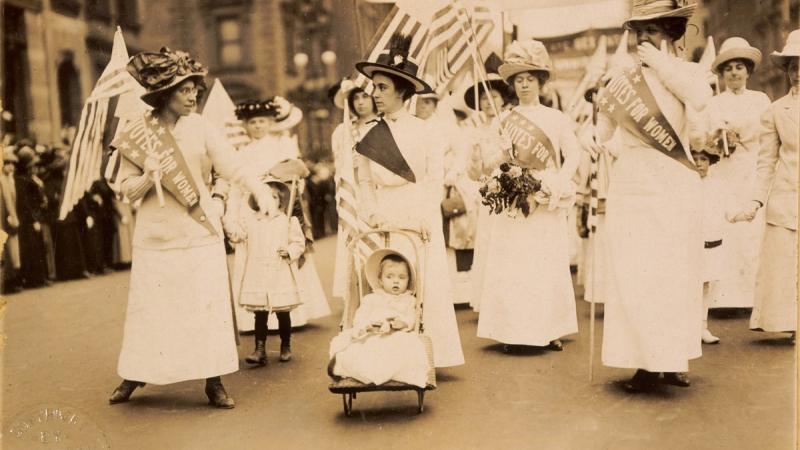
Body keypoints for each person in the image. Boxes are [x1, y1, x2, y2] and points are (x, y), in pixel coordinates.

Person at [105, 47, 278, 408]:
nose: (193, 95)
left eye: (195, 88)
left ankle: (213, 380)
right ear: (165, 93)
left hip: (200, 232)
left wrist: (260, 190)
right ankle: (136, 373)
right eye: (185, 89)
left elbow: (232, 167)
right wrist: (146, 175)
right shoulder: (138, 132)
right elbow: (124, 188)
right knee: (151, 309)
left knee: (206, 307)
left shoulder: (202, 127)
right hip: (156, 235)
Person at [594, 0, 711, 391]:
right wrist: (594, 134)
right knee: (636, 272)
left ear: (670, 34)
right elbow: (602, 130)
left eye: (653, 31)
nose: (643, 38)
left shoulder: (684, 73)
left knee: (674, 273)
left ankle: (672, 358)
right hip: (633, 182)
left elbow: (700, 100)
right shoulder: (621, 80)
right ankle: (643, 362)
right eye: (639, 32)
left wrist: (662, 64)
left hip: (674, 181)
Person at [354, 32, 464, 368]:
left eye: (383, 88)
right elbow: (363, 180)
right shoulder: (368, 134)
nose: (375, 95)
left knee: (423, 281)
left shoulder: (427, 130)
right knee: (385, 281)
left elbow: (432, 178)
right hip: (383, 214)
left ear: (403, 91)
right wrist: (371, 213)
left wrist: (423, 217)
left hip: (418, 212)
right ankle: (387, 358)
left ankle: (429, 356)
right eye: (374, 87)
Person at [473, 39, 580, 351]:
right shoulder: (502, 120)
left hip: (544, 199)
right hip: (513, 203)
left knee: (545, 265)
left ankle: (550, 330)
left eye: (529, 79)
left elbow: (572, 155)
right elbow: (492, 162)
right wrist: (498, 156)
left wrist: (556, 183)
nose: (524, 85)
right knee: (513, 266)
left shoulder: (556, 118)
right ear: (512, 84)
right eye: (518, 80)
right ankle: (512, 331)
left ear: (540, 82)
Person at [224, 97, 330, 339]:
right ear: (246, 126)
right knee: (253, 258)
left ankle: (291, 312)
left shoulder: (281, 148)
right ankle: (254, 316)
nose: (258, 127)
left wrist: (286, 195)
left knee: (281, 255)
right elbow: (236, 185)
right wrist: (233, 216)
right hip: (249, 210)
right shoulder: (240, 153)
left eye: (262, 121)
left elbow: (296, 180)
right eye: (253, 123)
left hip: (278, 208)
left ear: (271, 122)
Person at [735, 29, 799, 340]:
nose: (797, 73)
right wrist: (755, 201)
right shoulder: (775, 110)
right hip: (786, 200)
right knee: (785, 268)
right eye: (792, 66)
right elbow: (766, 163)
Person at [702, 37, 771, 310]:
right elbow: (708, 140)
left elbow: (769, 135)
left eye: (739, 67)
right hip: (726, 170)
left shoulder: (761, 100)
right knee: (728, 229)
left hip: (753, 168)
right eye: (728, 68)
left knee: (753, 232)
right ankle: (725, 298)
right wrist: (720, 137)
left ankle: (753, 298)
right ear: (722, 73)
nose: (734, 73)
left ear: (748, 72)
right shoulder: (714, 103)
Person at [329, 250, 429, 388]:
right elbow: (360, 317)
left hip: (396, 335)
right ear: (380, 280)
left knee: (406, 349)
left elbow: (413, 317)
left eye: (402, 277)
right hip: (372, 334)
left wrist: (404, 323)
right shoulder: (371, 299)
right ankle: (360, 369)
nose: (396, 281)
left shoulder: (409, 300)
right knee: (361, 350)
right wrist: (366, 326)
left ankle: (384, 372)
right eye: (389, 277)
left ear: (408, 280)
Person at [236, 180, 305, 365]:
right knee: (260, 313)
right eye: (265, 196)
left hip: (279, 271)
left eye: (274, 197)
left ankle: (285, 345)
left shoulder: (288, 220)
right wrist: (236, 233)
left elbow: (299, 243)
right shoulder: (251, 222)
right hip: (258, 272)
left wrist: (289, 251)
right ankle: (260, 350)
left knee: (283, 312)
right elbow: (240, 236)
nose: (269, 200)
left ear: (280, 201)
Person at [464, 56, 511, 312]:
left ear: (503, 98)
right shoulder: (474, 130)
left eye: (493, 96)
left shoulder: (512, 122)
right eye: (483, 98)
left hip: (512, 188)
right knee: (489, 245)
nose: (488, 102)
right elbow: (473, 173)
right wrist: (473, 155)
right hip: (489, 193)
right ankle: (493, 303)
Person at [330, 80, 378, 300]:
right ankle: (358, 294)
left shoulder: (381, 126)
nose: (360, 102)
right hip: (354, 191)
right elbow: (339, 165)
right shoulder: (344, 131)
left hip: (377, 189)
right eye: (355, 98)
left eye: (364, 97)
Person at [694, 148, 725, 344]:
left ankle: (702, 327)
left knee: (706, 285)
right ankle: (686, 328)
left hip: (710, 243)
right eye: (695, 159)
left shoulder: (717, 185)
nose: (699, 163)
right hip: (690, 244)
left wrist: (743, 213)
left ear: (710, 161)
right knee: (689, 286)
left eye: (704, 159)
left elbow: (727, 210)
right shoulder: (685, 184)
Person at [14, 145, 49, 288]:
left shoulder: (30, 179)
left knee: (38, 248)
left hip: (35, 217)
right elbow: (25, 204)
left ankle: (40, 278)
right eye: (31, 165)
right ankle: (34, 279)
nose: (34, 167)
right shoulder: (21, 180)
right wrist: (34, 219)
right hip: (28, 220)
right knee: (31, 250)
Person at [0, 147, 21, 292]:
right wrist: (11, 215)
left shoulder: (11, 179)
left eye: (12, 164)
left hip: (11, 217)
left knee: (13, 250)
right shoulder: (2, 180)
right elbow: (6, 201)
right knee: (7, 251)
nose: (10, 166)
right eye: (7, 163)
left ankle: (13, 279)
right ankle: (8, 282)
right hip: (5, 219)